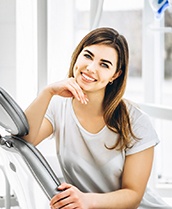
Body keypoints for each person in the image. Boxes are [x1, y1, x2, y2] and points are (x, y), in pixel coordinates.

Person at [24, 27, 172, 209]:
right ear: (77, 56)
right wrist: (47, 92)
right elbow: (25, 140)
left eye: (104, 64)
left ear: (115, 75)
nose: (91, 68)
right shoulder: (57, 106)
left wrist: (86, 200)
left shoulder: (135, 121)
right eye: (87, 56)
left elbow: (133, 196)